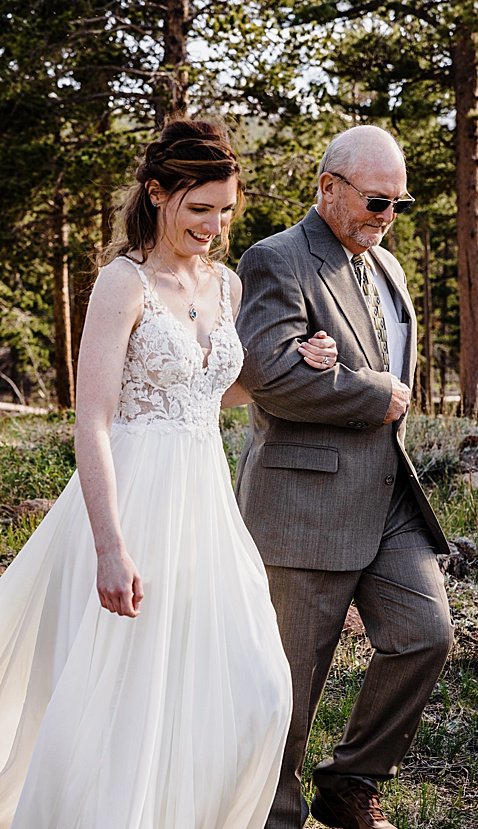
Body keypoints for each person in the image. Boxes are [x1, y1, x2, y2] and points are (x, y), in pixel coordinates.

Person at [0, 119, 337, 828]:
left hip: (206, 501)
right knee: (123, 695)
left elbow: (214, 387)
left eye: (225, 210)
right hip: (132, 497)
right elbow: (91, 418)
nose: (214, 224)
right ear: (157, 194)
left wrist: (299, 361)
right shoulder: (123, 284)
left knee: (258, 686)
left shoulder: (228, 283)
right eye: (199, 208)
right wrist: (110, 545)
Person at [236, 125, 455, 829]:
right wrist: (369, 391)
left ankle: (350, 780)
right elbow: (268, 374)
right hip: (303, 500)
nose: (386, 216)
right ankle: (274, 815)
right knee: (290, 688)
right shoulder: (276, 259)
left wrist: (344, 371)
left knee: (427, 634)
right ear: (327, 187)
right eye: (375, 200)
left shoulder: (385, 265)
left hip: (388, 493)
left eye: (398, 204)